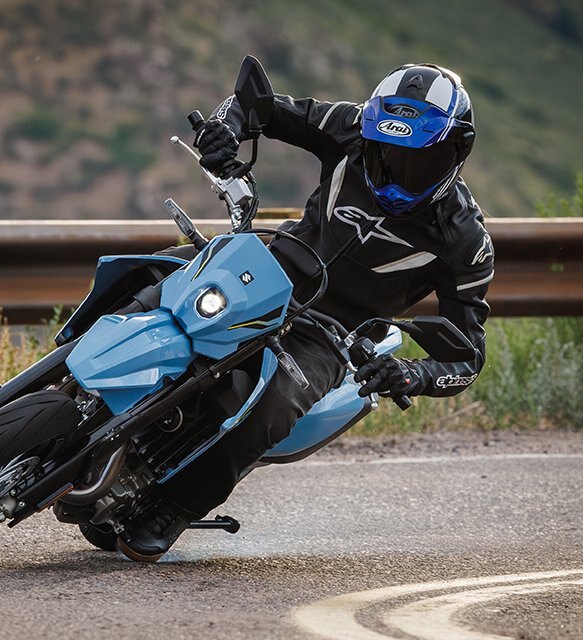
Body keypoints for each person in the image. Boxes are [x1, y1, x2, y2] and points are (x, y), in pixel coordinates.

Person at [116, 63, 494, 562]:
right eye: (387, 152)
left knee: (273, 408)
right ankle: (61, 375)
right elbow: (259, 107)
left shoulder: (466, 241)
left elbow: (467, 358)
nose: (398, 169)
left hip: (333, 333)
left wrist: (411, 374)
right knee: (152, 272)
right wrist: (224, 132)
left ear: (456, 150)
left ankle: (175, 506)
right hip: (270, 267)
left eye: (418, 159)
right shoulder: (351, 125)